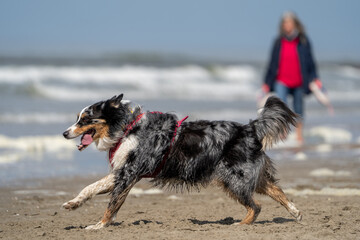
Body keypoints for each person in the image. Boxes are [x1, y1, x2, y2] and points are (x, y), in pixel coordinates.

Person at [262, 11, 321, 145]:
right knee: (281, 106)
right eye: (284, 22)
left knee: (298, 108)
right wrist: (266, 82)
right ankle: (283, 135)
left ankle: (299, 135)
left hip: (299, 81)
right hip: (281, 80)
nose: (286, 25)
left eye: (289, 22)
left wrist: (315, 77)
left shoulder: (303, 40)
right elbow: (272, 63)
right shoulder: (278, 41)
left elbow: (311, 61)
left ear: (295, 24)